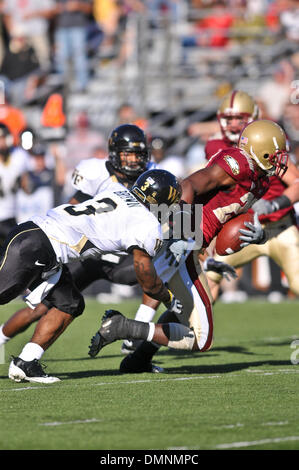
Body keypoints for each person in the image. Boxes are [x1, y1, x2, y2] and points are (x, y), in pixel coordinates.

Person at [88, 119, 289, 373]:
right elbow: (189, 185)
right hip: (181, 238)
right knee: (201, 339)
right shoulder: (237, 165)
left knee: (184, 307)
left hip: (193, 246)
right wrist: (184, 234)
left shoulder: (260, 180)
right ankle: (123, 327)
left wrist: (260, 236)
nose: (281, 161)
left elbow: (223, 217)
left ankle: (137, 360)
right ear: (263, 152)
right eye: (277, 155)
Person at [6, 168, 183, 383]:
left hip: (42, 242)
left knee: (70, 303)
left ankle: (26, 362)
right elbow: (146, 275)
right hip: (38, 244)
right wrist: (167, 297)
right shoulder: (147, 223)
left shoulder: (117, 190)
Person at [0, 124, 153, 347]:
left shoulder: (151, 177)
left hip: (119, 256)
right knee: (41, 308)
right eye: (128, 154)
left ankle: (137, 341)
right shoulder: (96, 173)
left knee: (159, 270)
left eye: (139, 154)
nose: (134, 160)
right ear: (114, 154)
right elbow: (70, 209)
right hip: (85, 254)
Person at [0, 123, 29, 245]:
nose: (1, 142)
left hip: (12, 214)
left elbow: (27, 187)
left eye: (3, 137)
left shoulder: (19, 156)